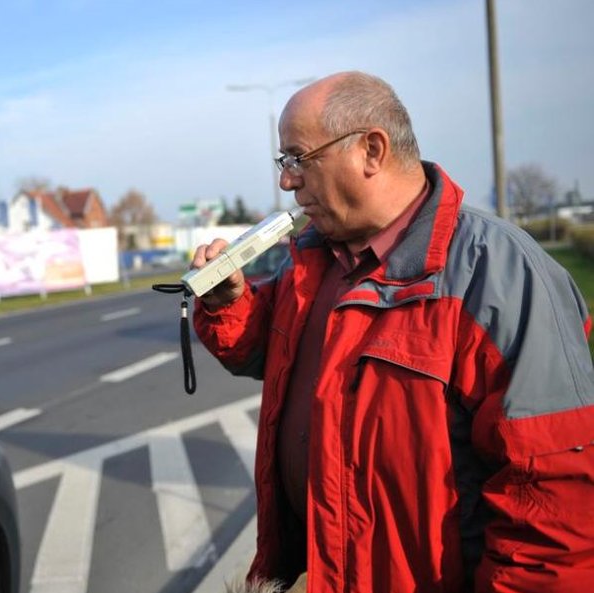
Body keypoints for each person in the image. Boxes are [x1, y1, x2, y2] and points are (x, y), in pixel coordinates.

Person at [191, 71, 594, 593]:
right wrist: (229, 303)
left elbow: (554, 507)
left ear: (371, 151)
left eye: (297, 159)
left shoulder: (499, 273)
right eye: (283, 163)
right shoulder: (312, 261)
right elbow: (266, 354)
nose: (287, 182)